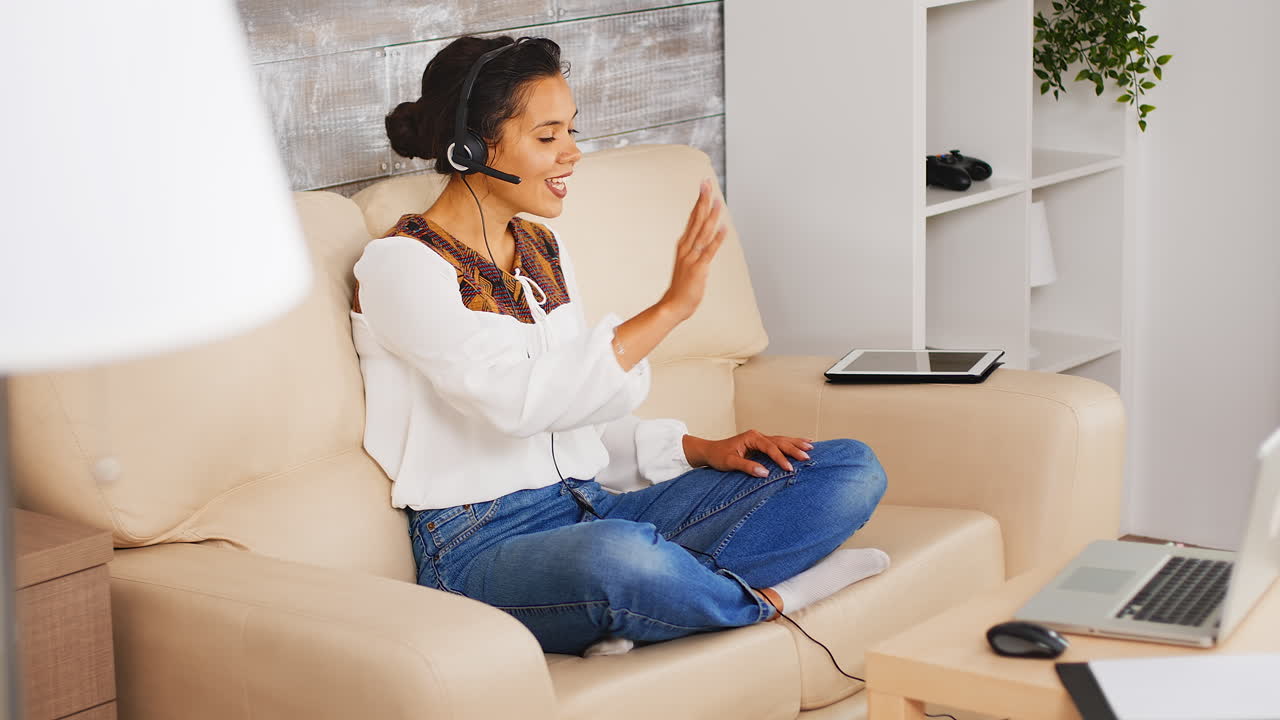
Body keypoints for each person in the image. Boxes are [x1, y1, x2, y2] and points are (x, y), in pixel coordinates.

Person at [349, 34, 890, 658]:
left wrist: (702, 449)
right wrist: (670, 309)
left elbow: (578, 411)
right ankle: (762, 600)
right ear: (472, 146)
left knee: (846, 469)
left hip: (589, 505)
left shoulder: (541, 251)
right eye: (547, 137)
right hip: (478, 546)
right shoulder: (401, 266)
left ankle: (636, 609)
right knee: (619, 557)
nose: (572, 155)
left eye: (570, 132)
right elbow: (515, 403)